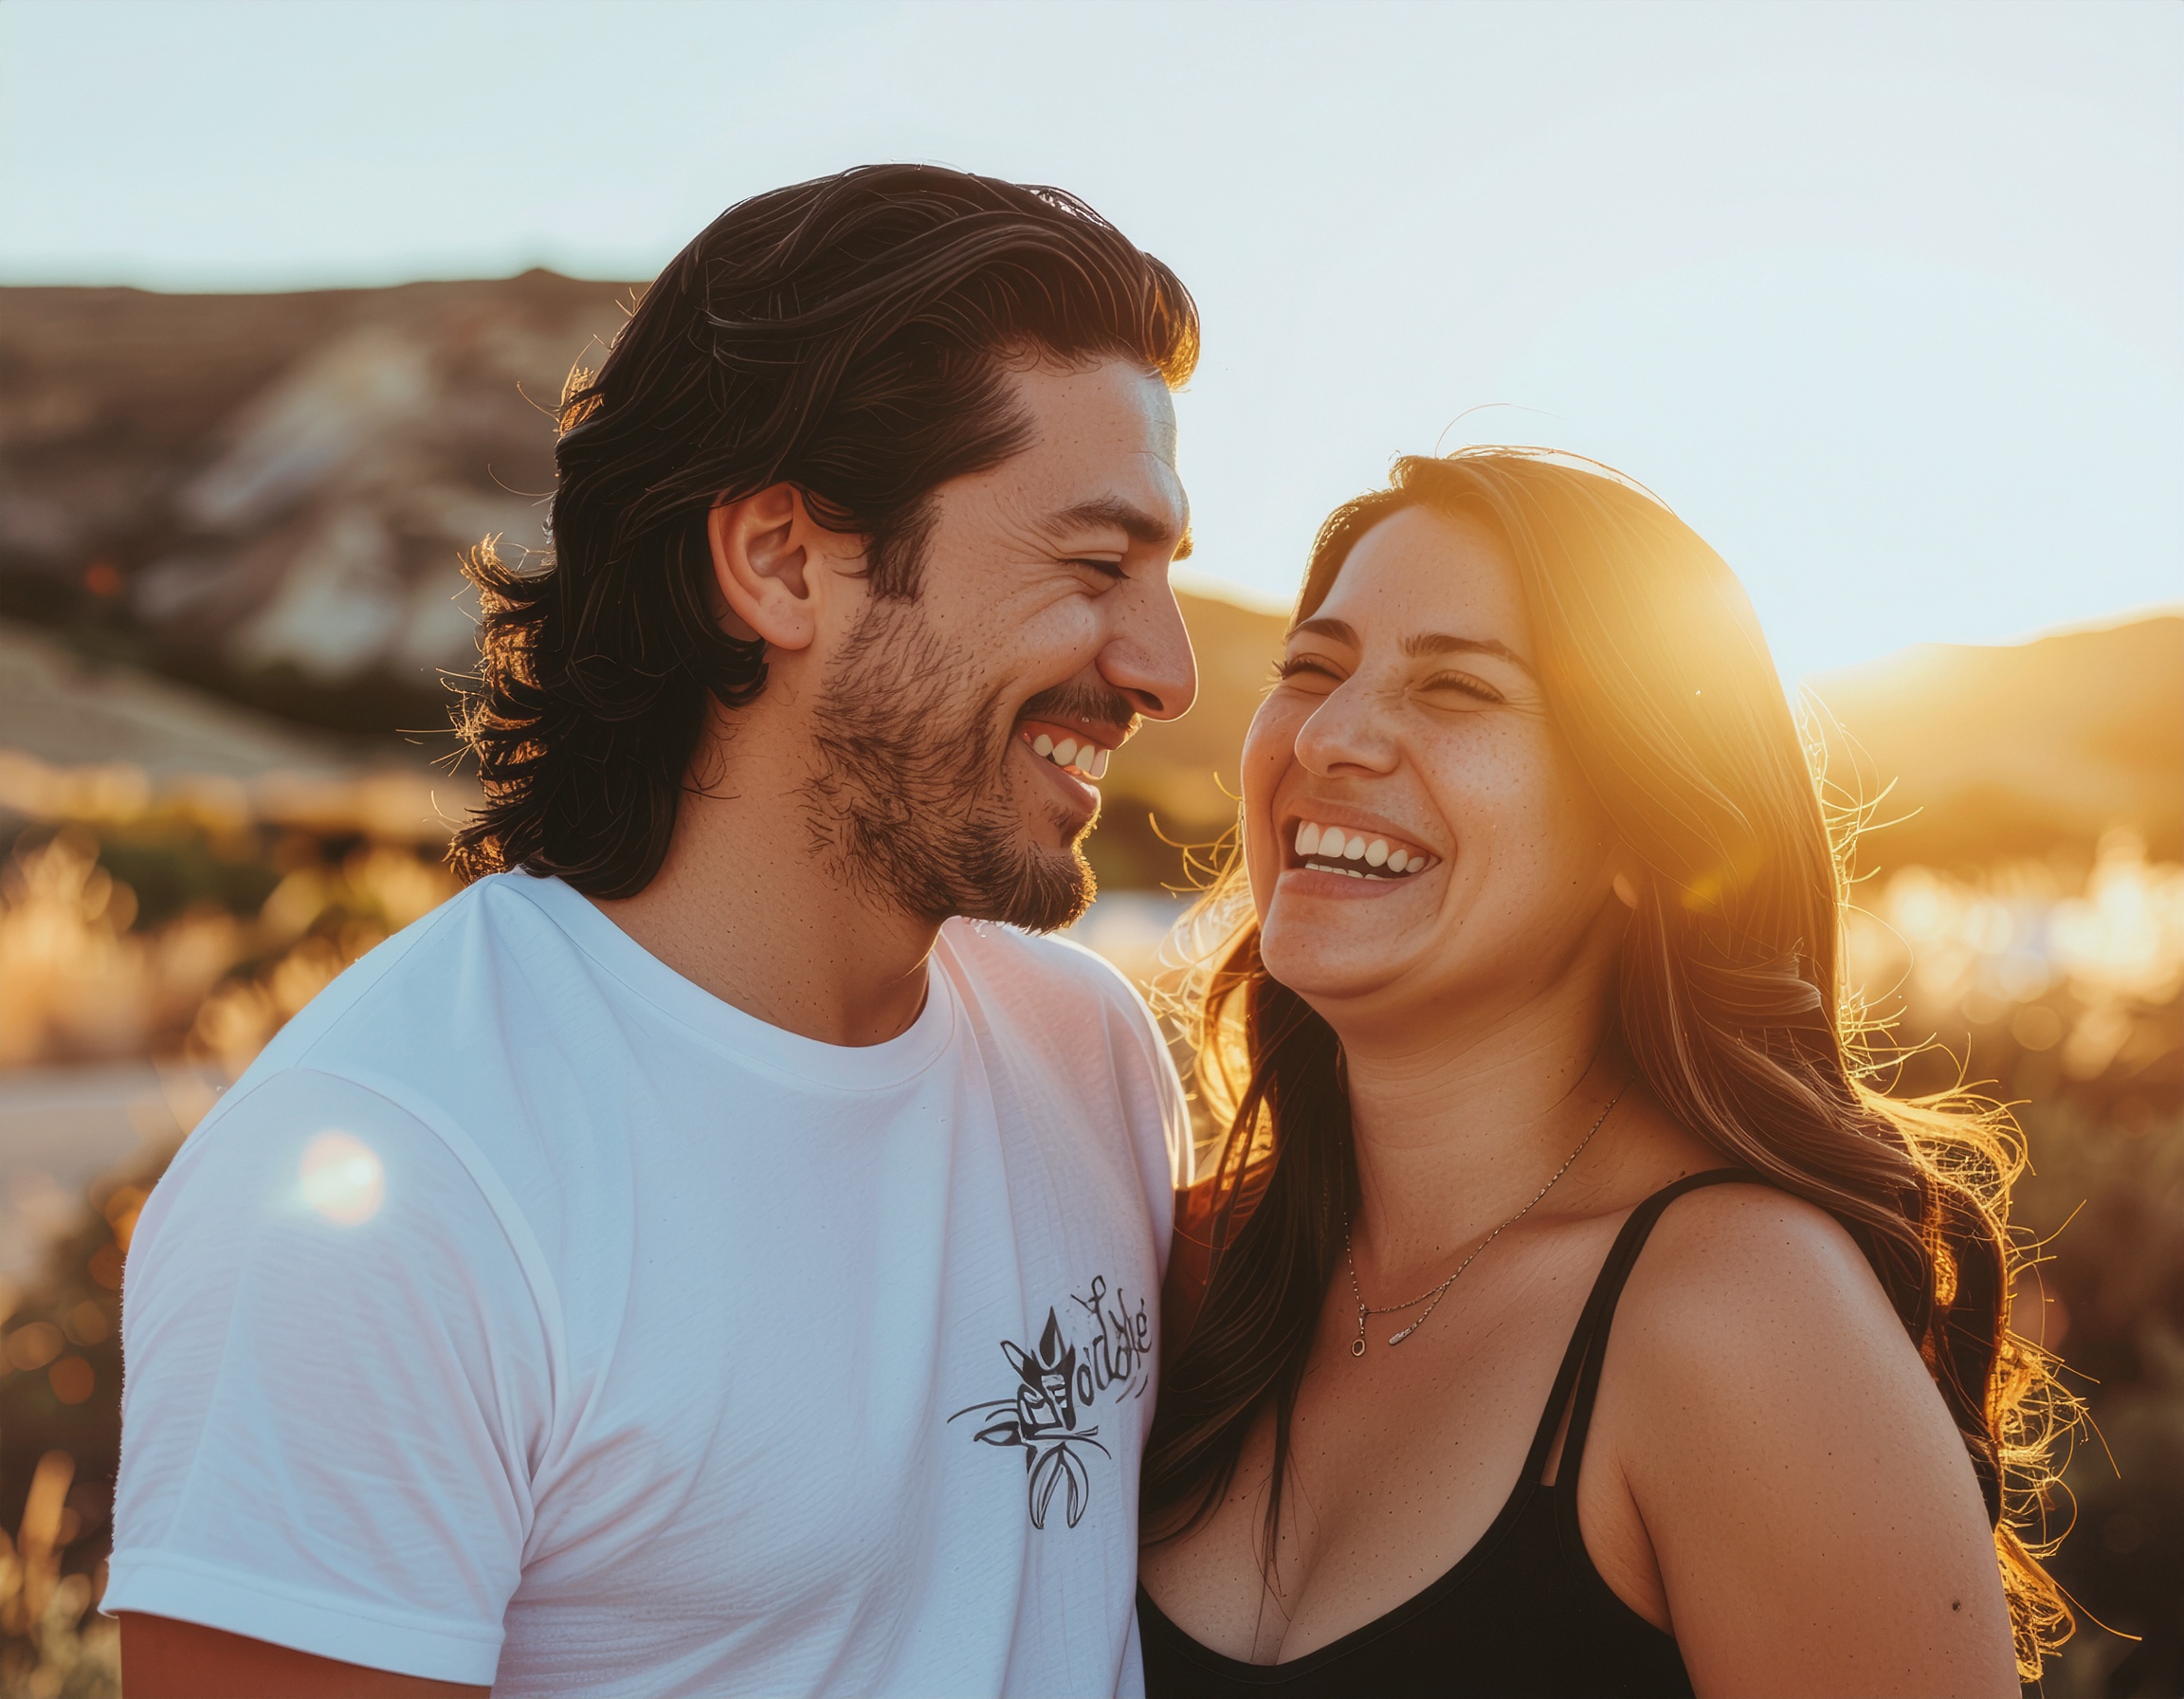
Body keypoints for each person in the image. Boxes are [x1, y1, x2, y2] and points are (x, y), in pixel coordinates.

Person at [107, 165, 1199, 1699]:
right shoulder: (399, 1170)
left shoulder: (1088, 1054)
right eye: (1096, 567)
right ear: (778, 561)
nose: (1166, 670)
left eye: (1169, 575)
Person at [1135, 449, 2068, 1696]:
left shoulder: (1740, 1320)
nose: (1333, 734)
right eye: (1312, 668)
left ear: (1652, 836)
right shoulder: (1187, 1270)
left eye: (1457, 689)